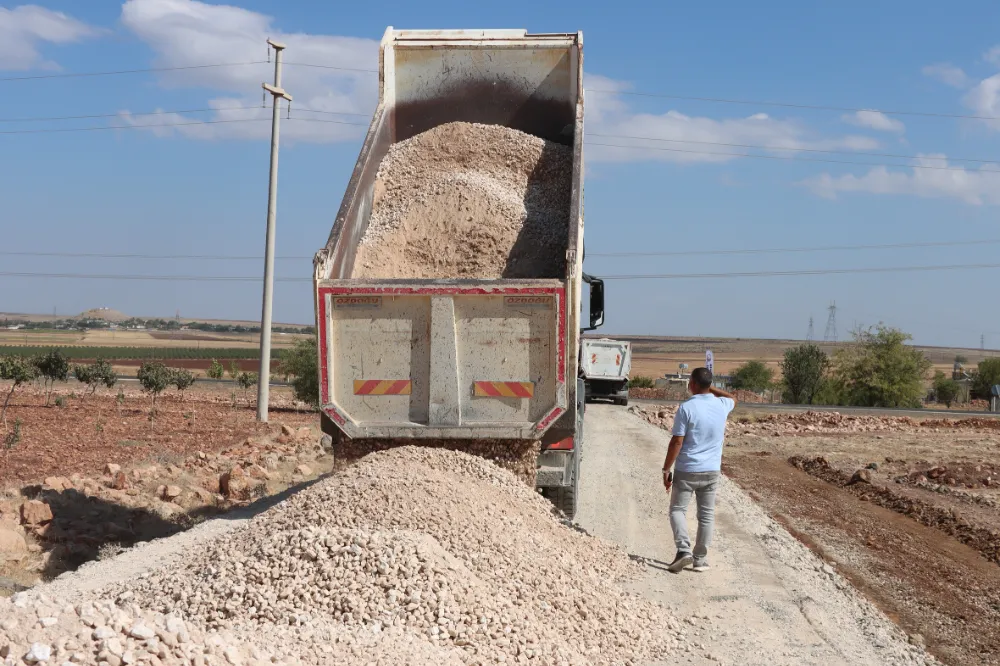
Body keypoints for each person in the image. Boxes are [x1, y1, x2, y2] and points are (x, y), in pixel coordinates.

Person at [661, 367, 737, 573]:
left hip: (688, 470)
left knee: (677, 510)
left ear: (692, 384)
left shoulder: (686, 408)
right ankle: (700, 559)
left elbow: (677, 441)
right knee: (706, 515)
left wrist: (666, 469)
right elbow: (732, 397)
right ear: (709, 385)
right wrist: (710, 387)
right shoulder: (722, 405)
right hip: (711, 471)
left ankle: (683, 550)